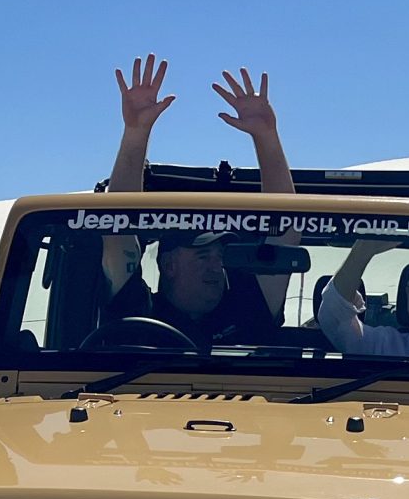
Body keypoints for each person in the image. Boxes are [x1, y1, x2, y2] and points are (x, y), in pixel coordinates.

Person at [92, 57, 302, 347]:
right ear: (169, 264)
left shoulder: (249, 307)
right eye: (204, 256)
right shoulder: (138, 311)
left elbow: (286, 231)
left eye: (219, 257)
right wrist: (136, 133)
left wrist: (266, 136)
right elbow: (117, 231)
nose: (217, 267)